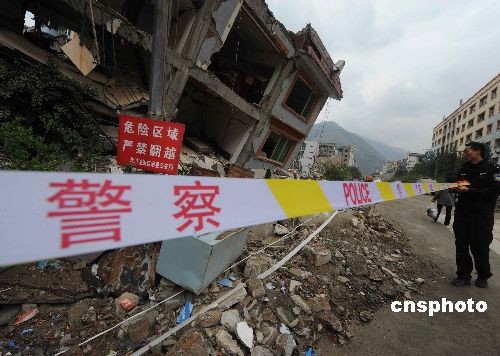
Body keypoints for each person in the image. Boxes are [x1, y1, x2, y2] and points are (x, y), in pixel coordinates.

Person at [452, 141, 500, 288]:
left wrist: (470, 191)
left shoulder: (492, 170)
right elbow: (462, 185)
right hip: (462, 213)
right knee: (461, 245)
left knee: (480, 246)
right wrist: (454, 187)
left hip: (481, 216)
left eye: (467, 151)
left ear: (477, 152)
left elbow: (493, 192)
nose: (464, 153)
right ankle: (463, 275)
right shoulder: (464, 169)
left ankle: (483, 275)